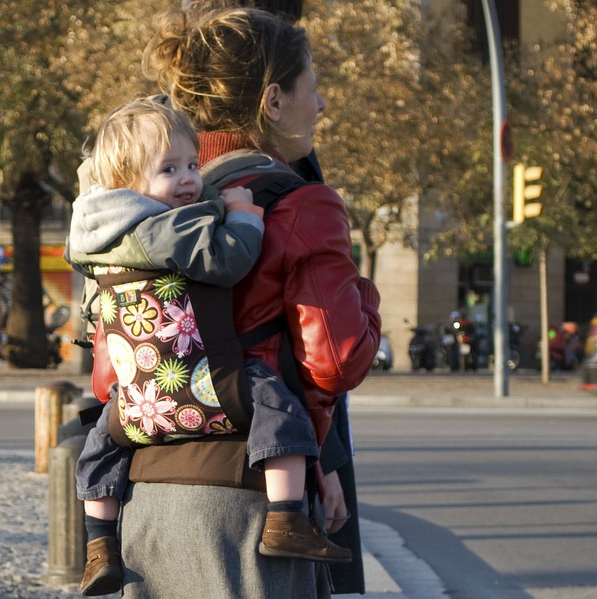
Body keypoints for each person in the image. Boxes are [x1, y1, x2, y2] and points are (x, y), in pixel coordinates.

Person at [89, 8, 382, 598]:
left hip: (146, 508)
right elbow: (338, 359)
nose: (320, 105)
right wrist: (365, 292)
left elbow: (108, 377)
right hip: (254, 514)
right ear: (273, 101)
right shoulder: (302, 205)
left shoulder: (141, 205)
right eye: (313, 88)